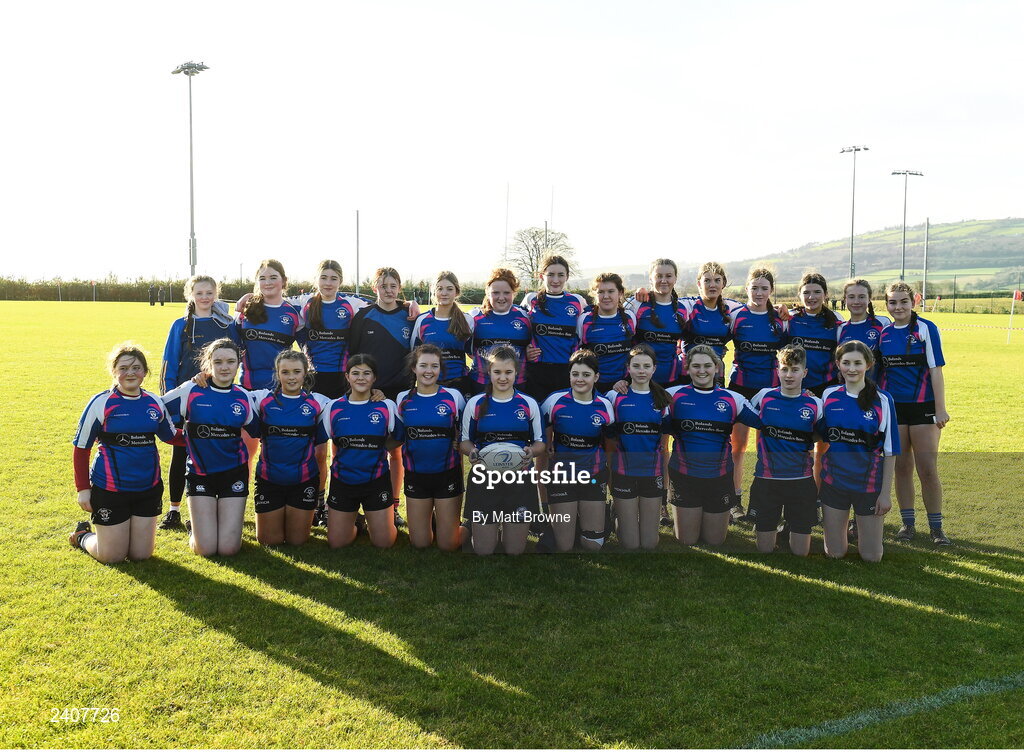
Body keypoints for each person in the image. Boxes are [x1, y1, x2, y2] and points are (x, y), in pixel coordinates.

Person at [69, 344, 178, 563]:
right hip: (110, 489)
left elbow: (171, 436)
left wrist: (205, 433)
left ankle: (119, 534)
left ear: (145, 372)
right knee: (112, 556)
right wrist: (83, 489)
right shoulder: (101, 402)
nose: (130, 373)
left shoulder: (154, 402)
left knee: (141, 555)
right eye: (124, 367)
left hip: (148, 487)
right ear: (114, 371)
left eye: (137, 367)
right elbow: (81, 448)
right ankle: (83, 535)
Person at [162, 339, 259, 557]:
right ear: (208, 364)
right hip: (200, 474)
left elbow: (257, 429)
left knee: (228, 549)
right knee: (205, 549)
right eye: (218, 362)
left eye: (231, 362)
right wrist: (182, 438)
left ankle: (208, 526)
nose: (225, 367)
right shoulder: (191, 390)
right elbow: (155, 408)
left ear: (238, 364)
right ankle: (194, 530)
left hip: (234, 474)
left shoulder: (244, 396)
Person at [158, 275, 238, 531]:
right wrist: (169, 402)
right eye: (199, 292)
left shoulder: (226, 324)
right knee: (180, 451)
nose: (204, 297)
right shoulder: (180, 325)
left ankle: (202, 510)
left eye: (209, 293)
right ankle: (173, 510)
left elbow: (236, 358)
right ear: (190, 295)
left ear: (216, 294)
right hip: (185, 398)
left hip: (216, 399)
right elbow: (168, 364)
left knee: (208, 451)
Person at [878, 282, 951, 546]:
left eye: (903, 302)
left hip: (924, 408)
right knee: (902, 468)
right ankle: (907, 525)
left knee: (928, 470)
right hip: (895, 410)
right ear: (886, 305)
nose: (898, 307)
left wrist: (940, 408)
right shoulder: (884, 334)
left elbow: (936, 370)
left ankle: (936, 528)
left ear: (913, 302)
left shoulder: (925, 329)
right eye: (893, 303)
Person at [664, 345, 760, 547]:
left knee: (715, 541)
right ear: (687, 368)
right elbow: (643, 409)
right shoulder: (672, 396)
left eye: (707, 365)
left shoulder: (733, 399)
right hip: (684, 477)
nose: (702, 371)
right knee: (687, 540)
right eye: (696, 366)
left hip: (719, 478)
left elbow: (765, 422)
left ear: (717, 367)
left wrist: (800, 396)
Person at [348, 267, 419, 526]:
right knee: (361, 448)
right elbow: (353, 355)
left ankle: (392, 506)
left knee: (395, 452)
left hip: (398, 394)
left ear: (399, 288)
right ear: (373, 288)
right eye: (383, 285)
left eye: (393, 285)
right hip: (368, 392)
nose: (388, 290)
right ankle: (355, 505)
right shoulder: (363, 316)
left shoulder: (409, 316)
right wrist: (360, 389)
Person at [460, 346, 546, 555]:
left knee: (514, 551)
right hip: (484, 478)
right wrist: (472, 452)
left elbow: (540, 443)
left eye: (508, 372)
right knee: (483, 551)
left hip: (519, 479)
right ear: (489, 373)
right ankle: (478, 526)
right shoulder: (476, 403)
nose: (503, 377)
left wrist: (530, 453)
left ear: (516, 373)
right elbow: (464, 442)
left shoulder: (528, 403)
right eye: (497, 372)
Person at [819, 341, 900, 562]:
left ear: (868, 364)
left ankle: (863, 533)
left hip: (869, 484)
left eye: (857, 363)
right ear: (838, 364)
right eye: (846, 363)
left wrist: (885, 494)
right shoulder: (828, 395)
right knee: (834, 554)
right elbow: (820, 434)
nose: (851, 369)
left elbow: (890, 451)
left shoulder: (883, 400)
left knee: (871, 557)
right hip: (834, 482)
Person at [247, 351, 330, 546]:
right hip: (269, 479)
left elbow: (353, 402)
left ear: (305, 373)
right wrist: (205, 377)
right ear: (277, 373)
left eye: (296, 371)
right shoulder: (262, 399)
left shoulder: (319, 402)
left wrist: (375, 394)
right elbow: (229, 392)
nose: (291, 377)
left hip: (303, 480)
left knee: (297, 541)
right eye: (285, 372)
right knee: (268, 541)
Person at [747, 345, 823, 556]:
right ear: (777, 370)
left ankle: (790, 528)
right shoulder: (764, 397)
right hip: (766, 480)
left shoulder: (815, 403)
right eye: (784, 369)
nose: (789, 375)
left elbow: (819, 434)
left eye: (795, 369)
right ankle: (773, 528)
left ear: (804, 372)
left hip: (801, 481)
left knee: (800, 552)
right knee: (764, 549)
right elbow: (747, 416)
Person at [320, 354, 401, 549]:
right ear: (347, 376)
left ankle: (378, 521)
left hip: (376, 481)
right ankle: (356, 523)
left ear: (374, 378)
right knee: (337, 543)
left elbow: (400, 436)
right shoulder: (333, 407)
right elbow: (320, 439)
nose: (361, 378)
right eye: (355, 373)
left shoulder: (386, 406)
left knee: (384, 543)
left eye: (367, 373)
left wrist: (379, 447)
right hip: (343, 482)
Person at [727, 267, 788, 521]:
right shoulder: (736, 316)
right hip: (740, 388)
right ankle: (734, 502)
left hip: (771, 392)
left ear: (771, 291)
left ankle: (764, 504)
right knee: (737, 448)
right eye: (755, 287)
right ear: (746, 288)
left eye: (764, 288)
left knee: (768, 450)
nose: (759, 292)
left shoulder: (780, 319)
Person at [540, 349, 615, 552]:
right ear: (569, 375)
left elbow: (610, 449)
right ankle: (563, 522)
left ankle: (599, 519)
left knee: (592, 546)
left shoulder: (605, 406)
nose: (579, 379)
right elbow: (545, 447)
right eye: (575, 374)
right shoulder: (553, 401)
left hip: (592, 477)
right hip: (563, 477)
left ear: (596, 377)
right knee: (563, 546)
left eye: (586, 375)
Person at [394, 345, 467, 551]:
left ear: (440, 369)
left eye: (434, 366)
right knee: (420, 543)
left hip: (447, 475)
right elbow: (398, 437)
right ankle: (439, 521)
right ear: (414, 369)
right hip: (417, 476)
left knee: (449, 545)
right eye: (423, 365)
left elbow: (468, 430)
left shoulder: (454, 397)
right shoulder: (403, 399)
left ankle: (473, 528)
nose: (429, 371)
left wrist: (460, 441)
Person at [605, 344, 671, 550]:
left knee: (650, 543)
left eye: (646, 366)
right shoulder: (615, 396)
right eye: (636, 366)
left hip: (652, 473)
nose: (641, 371)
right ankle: (617, 513)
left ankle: (632, 516)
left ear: (654, 369)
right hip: (623, 472)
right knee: (631, 544)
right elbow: (608, 440)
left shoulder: (663, 399)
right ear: (628, 367)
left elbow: (663, 444)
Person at [521, 254, 589, 402]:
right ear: (541, 276)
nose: (556, 280)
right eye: (550, 274)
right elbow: (517, 328)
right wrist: (525, 348)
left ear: (567, 277)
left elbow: (602, 312)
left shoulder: (577, 301)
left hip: (568, 370)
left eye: (560, 275)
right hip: (537, 371)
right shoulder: (531, 300)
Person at [236, 259, 303, 391]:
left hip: (280, 388)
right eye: (262, 278)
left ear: (283, 281)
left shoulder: (295, 314)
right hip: (247, 387)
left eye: (273, 277)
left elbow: (308, 350)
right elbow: (230, 346)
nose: (267, 283)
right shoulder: (245, 310)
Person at [467, 268, 533, 395]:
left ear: (514, 293)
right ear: (487, 292)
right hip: (481, 383)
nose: (501, 298)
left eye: (506, 293)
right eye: (495, 293)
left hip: (518, 384)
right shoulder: (473, 316)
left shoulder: (526, 317)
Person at [410, 271, 475, 393]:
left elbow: (472, 353)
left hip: (459, 383)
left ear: (456, 292)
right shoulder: (422, 320)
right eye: (440, 289)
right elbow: (414, 355)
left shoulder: (467, 320)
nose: (444, 293)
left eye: (449, 289)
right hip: (429, 383)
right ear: (434, 291)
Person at [631, 259, 688, 387]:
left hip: (672, 379)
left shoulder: (683, 309)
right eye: (658, 276)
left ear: (675, 279)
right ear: (650, 278)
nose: (663, 280)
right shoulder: (636, 304)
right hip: (640, 380)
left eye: (668, 276)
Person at [578, 273, 637, 394]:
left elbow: (636, 352)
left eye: (611, 291)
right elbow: (575, 353)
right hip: (593, 388)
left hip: (623, 386)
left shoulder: (630, 317)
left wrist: (627, 380)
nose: (606, 296)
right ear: (595, 294)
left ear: (620, 293)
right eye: (601, 292)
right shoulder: (584, 320)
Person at [787, 273, 843, 397]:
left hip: (826, 386)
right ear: (799, 295)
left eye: (817, 292)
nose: (811, 297)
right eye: (806, 292)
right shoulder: (789, 318)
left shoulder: (836, 320)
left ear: (826, 294)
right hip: (793, 386)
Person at [682, 261, 738, 384]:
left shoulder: (732, 307)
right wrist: (643, 292)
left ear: (723, 283)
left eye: (717, 280)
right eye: (707, 280)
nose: (712, 285)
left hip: (717, 374)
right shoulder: (688, 305)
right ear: (699, 284)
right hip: (689, 374)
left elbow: (757, 309)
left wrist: (779, 308)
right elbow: (662, 301)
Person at [837, 279, 890, 381]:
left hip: (876, 391)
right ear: (845, 299)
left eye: (861, 297)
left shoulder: (882, 323)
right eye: (851, 297)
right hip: (849, 391)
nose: (856, 301)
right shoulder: (841, 328)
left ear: (869, 298)